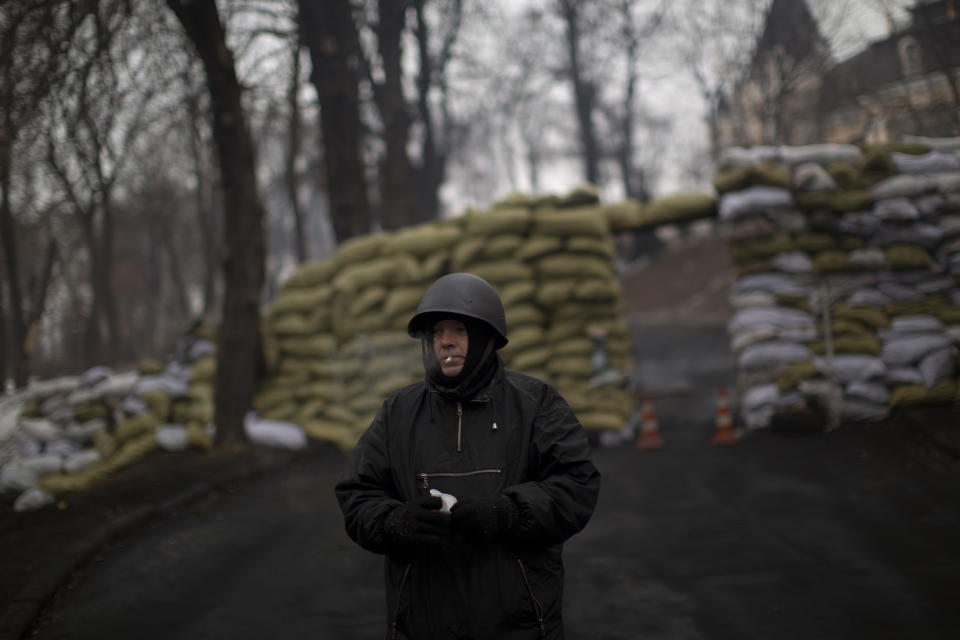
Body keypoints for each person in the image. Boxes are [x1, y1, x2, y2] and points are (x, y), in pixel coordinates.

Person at [335, 272, 601, 639]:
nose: (445, 342)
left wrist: (509, 511)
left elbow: (577, 485)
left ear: (485, 337)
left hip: (519, 627)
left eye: (458, 329)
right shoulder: (397, 413)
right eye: (436, 332)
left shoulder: (536, 404)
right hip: (422, 627)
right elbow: (357, 496)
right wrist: (395, 521)